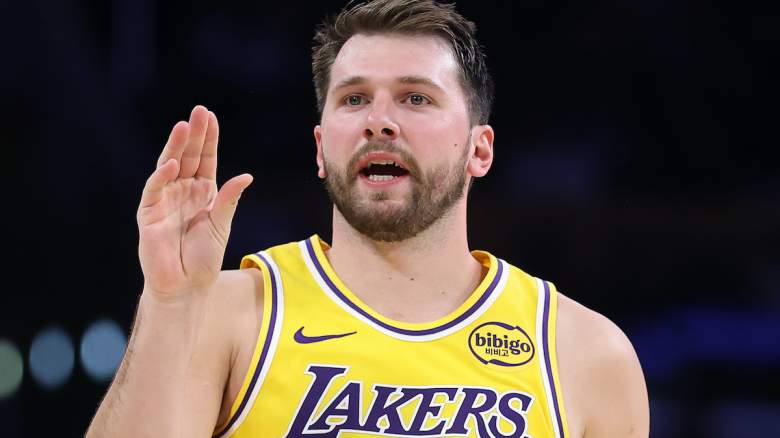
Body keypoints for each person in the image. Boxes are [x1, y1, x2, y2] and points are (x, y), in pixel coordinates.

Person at [87, 0, 649, 436]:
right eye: (354, 99)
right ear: (320, 148)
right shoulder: (230, 314)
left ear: (479, 150)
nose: (379, 121)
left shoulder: (585, 353)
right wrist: (169, 305)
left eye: (416, 98)